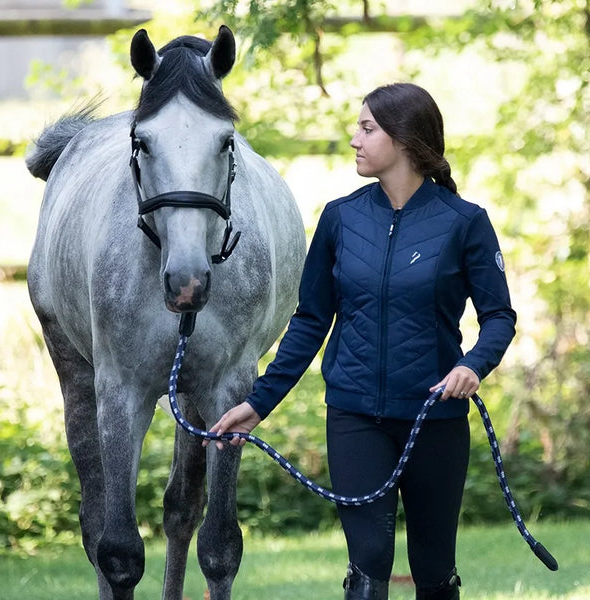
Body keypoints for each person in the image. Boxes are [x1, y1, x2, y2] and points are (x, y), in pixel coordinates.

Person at [205, 82, 517, 599]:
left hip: (433, 419)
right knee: (368, 565)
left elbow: (499, 317)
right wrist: (259, 402)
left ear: (404, 139)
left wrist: (473, 365)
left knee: (434, 567)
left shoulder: (465, 224)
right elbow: (309, 321)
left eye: (367, 128)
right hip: (354, 418)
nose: (355, 139)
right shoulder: (341, 218)